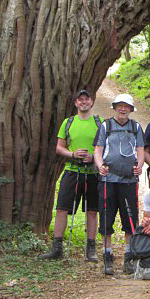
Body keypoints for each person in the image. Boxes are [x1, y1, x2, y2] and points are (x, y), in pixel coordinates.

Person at [40, 90, 101, 262]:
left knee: (92, 211)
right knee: (62, 209)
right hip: (72, 170)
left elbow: (105, 147)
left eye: (86, 99)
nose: (83, 102)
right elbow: (59, 147)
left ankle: (91, 250)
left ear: (91, 101)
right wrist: (73, 154)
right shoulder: (68, 122)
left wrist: (93, 158)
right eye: (80, 99)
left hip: (93, 172)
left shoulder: (99, 122)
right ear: (75, 103)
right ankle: (57, 248)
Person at [94, 94, 145, 275]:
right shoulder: (106, 126)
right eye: (120, 106)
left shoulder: (136, 127)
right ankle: (107, 255)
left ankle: (128, 256)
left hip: (129, 180)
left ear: (131, 109)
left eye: (126, 107)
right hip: (108, 180)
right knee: (106, 218)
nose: (123, 109)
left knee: (129, 219)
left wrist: (139, 166)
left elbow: (140, 150)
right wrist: (100, 166)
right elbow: (98, 150)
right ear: (115, 107)